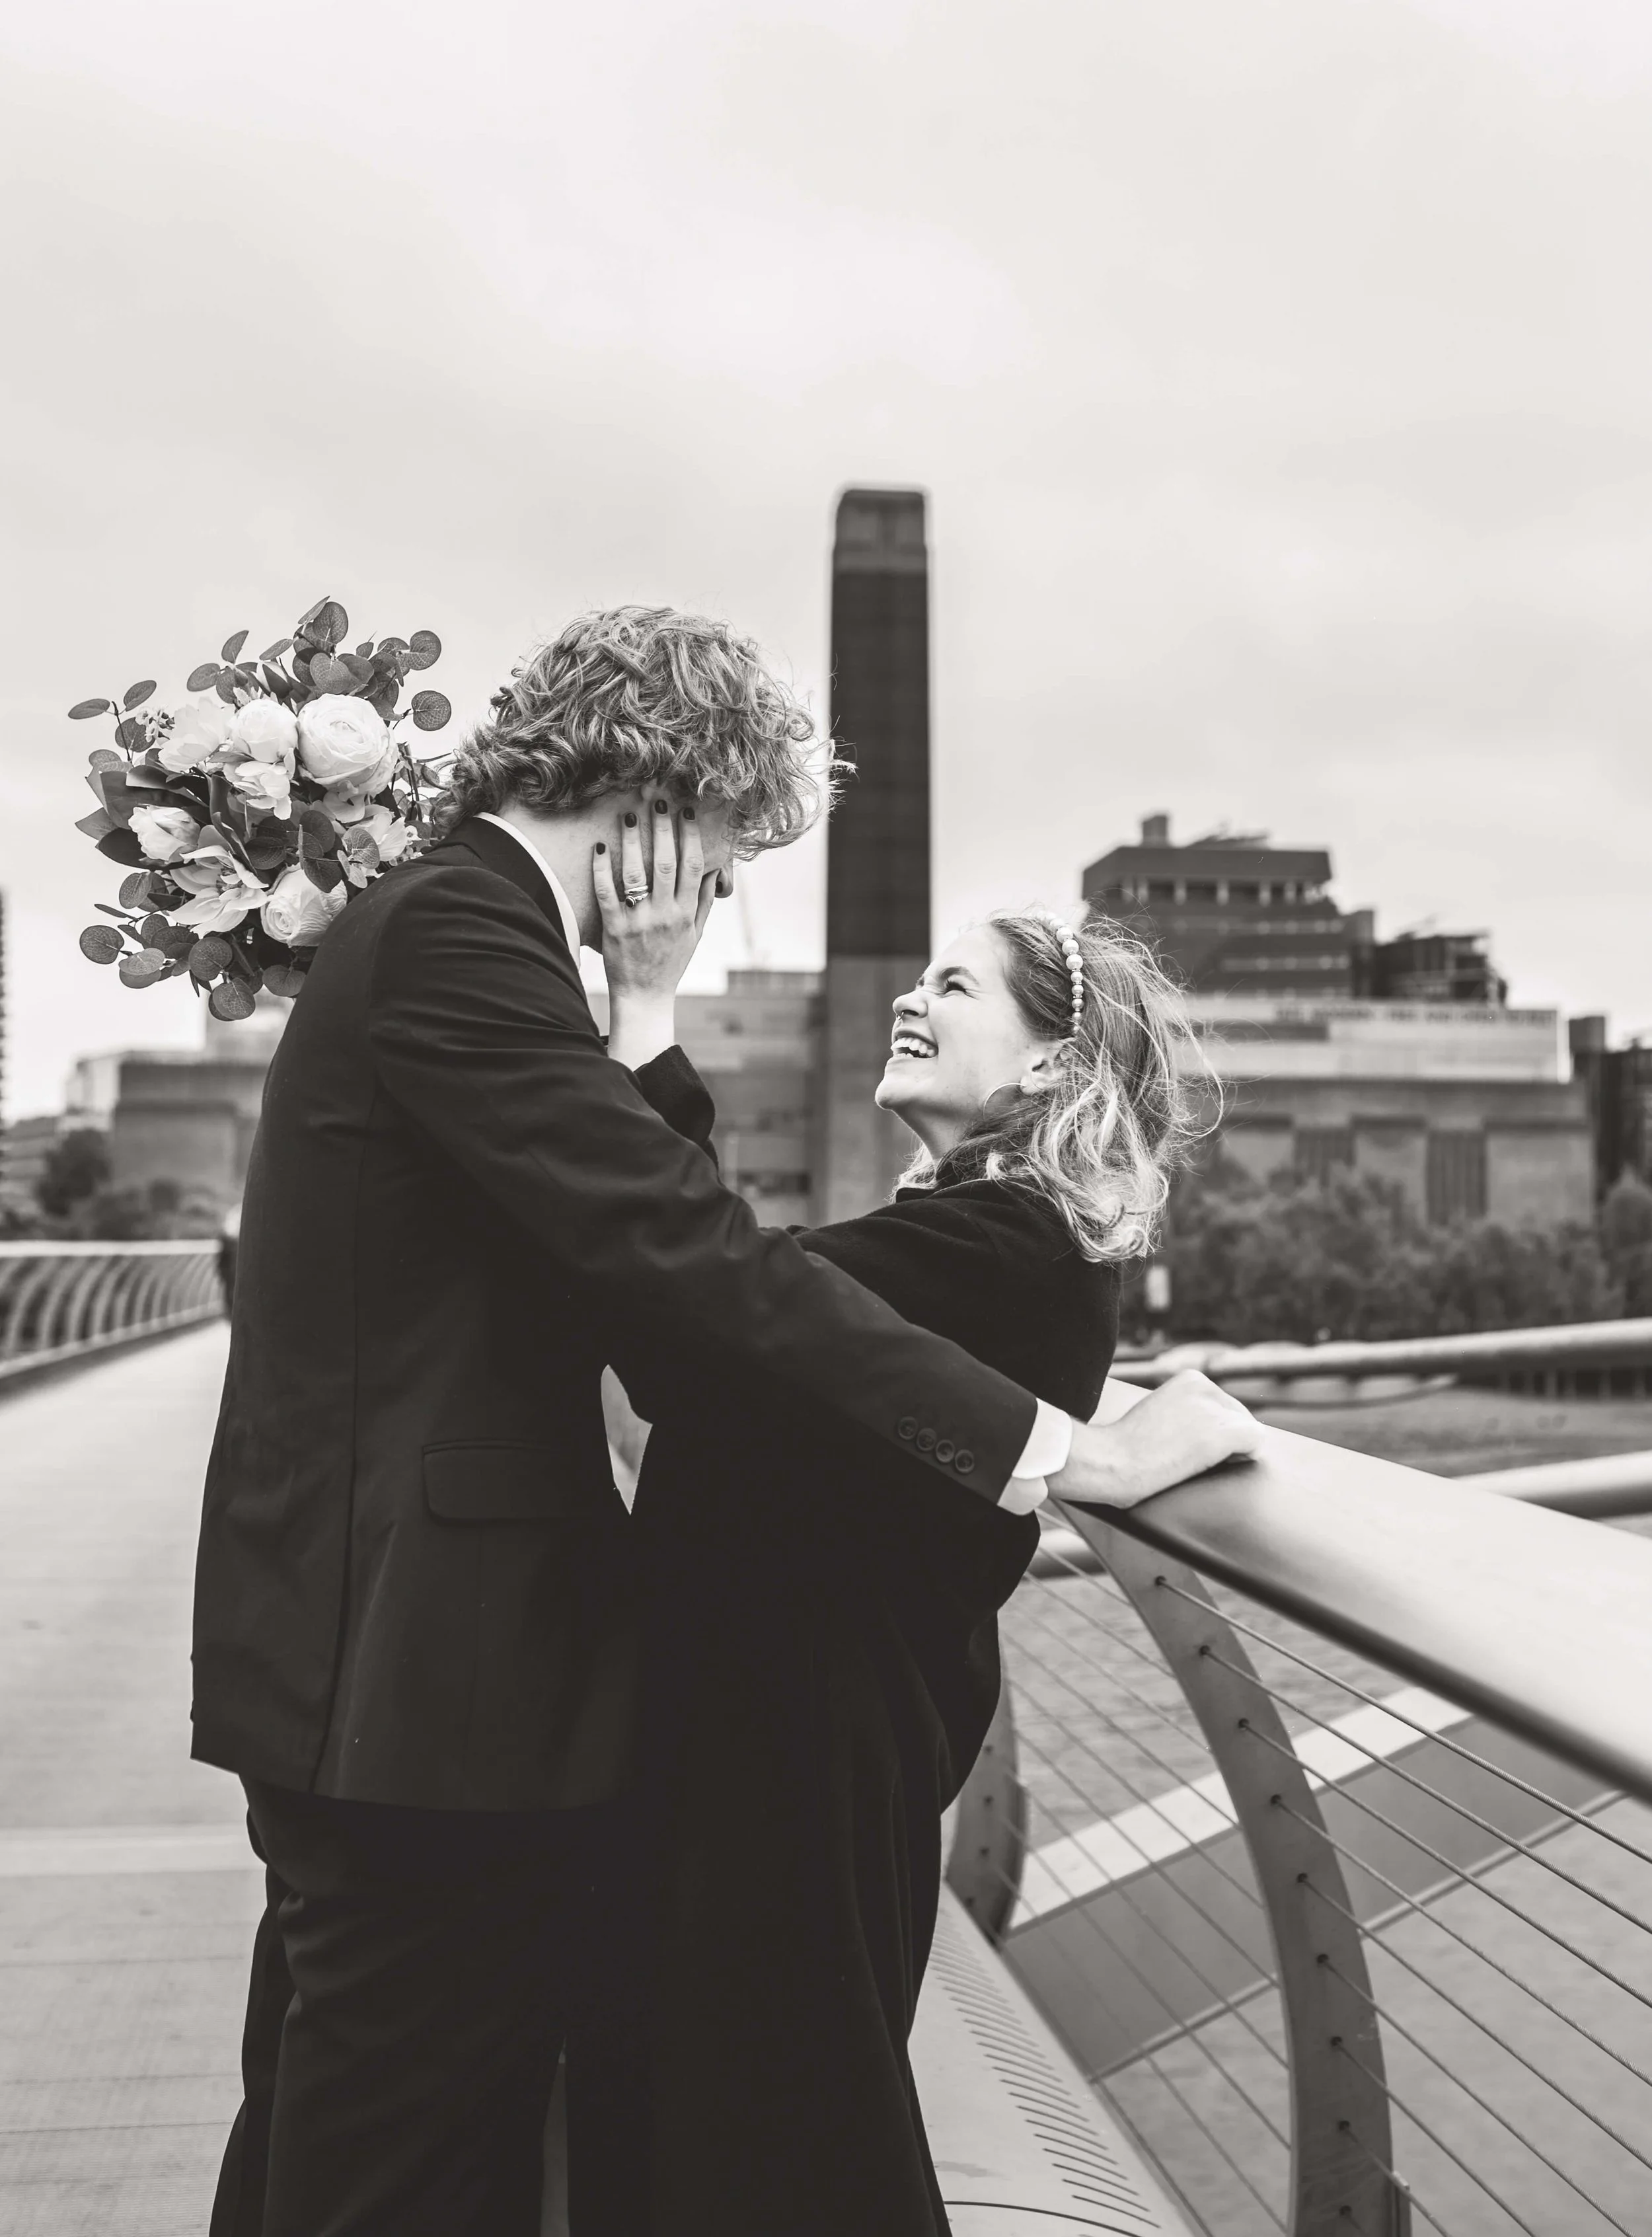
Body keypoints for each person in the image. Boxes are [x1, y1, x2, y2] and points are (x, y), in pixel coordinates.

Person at [194, 605, 1258, 2237]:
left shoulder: (447, 930)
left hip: (416, 1670)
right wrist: (1067, 1450)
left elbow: (670, 1263)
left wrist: (639, 1016)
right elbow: (678, 1256)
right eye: (732, 843)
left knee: (349, 2137)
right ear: (662, 795)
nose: (722, 881)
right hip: (406, 1673)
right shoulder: (460, 935)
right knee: (380, 2154)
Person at [619, 905, 1211, 2234]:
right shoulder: (982, 1228)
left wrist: (650, 1018)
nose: (909, 998)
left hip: (802, 1741)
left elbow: (697, 1302)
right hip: (811, 1729)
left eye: (951, 984)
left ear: (1050, 1063)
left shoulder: (999, 1239)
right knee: (774, 2116)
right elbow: (721, 1311)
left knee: (789, 2134)